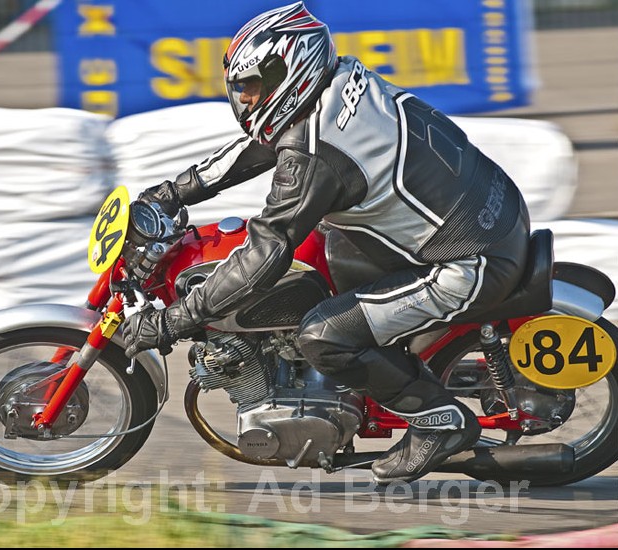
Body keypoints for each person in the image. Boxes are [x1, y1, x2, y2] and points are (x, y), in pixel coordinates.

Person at [122, 2, 530, 484]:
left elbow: (266, 251)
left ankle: (439, 421)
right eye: (241, 89)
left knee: (323, 335)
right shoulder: (335, 87)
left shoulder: (316, 154)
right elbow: (261, 145)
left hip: (470, 262)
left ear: (289, 71)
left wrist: (177, 319)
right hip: (484, 214)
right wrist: (172, 194)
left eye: (252, 88)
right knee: (319, 267)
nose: (246, 100)